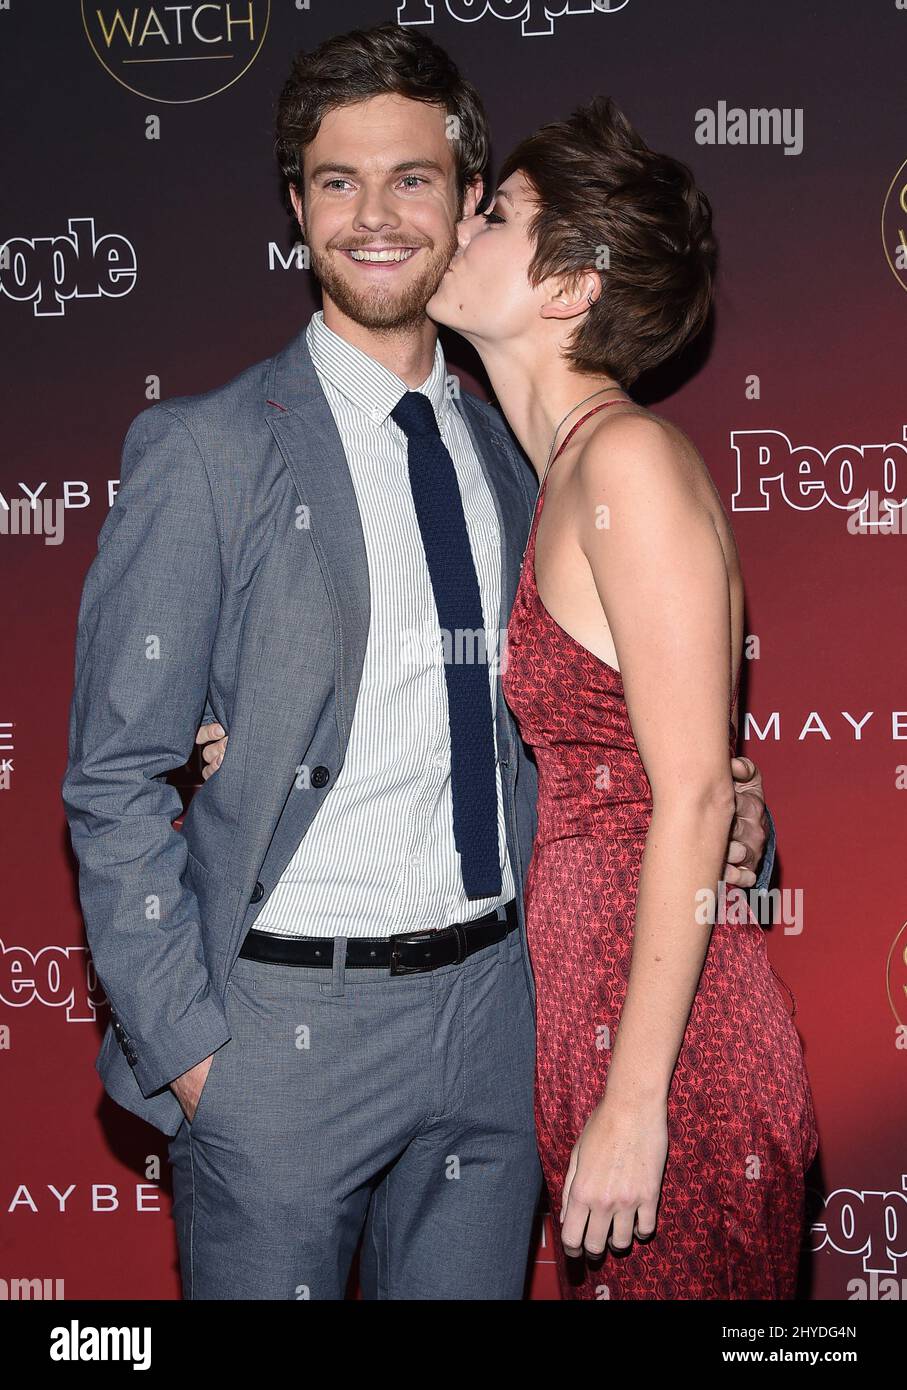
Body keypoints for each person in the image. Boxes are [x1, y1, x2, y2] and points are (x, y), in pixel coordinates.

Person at [63, 24, 774, 1301]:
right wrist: (191, 1055)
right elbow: (110, 778)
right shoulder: (207, 451)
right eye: (337, 181)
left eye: (417, 181)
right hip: (281, 1039)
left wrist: (731, 814)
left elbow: (612, 737)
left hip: (502, 1025)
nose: (376, 215)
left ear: (462, 202)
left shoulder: (531, 464)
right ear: (296, 208)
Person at [418, 93, 819, 1299]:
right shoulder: (564, 476)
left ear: (570, 285)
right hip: (605, 1037)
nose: (458, 226)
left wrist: (636, 1101)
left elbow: (693, 792)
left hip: (675, 1066)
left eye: (494, 214)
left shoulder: (628, 463)